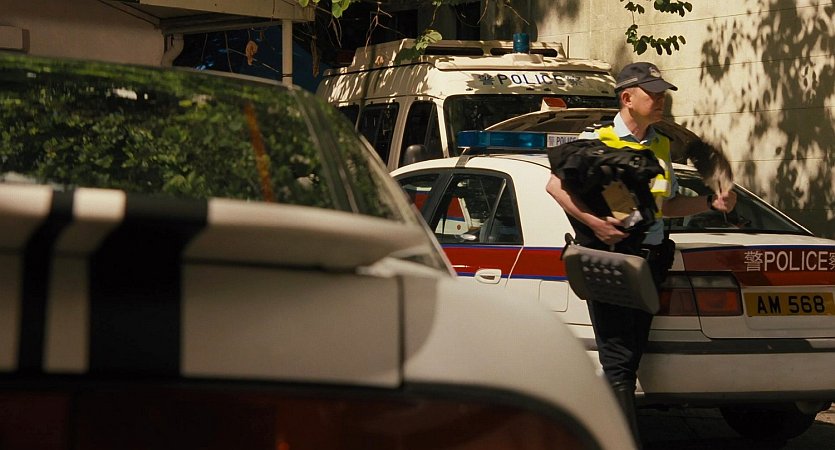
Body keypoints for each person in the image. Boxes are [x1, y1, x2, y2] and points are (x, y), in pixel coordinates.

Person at [545, 62, 736, 446]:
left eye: (663, 93)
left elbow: (665, 206)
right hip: (611, 259)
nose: (661, 100)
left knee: (627, 359)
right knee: (619, 361)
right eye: (653, 93)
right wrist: (596, 224)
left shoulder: (661, 145)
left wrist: (710, 204)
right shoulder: (597, 137)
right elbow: (554, 186)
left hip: (650, 261)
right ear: (627, 98)